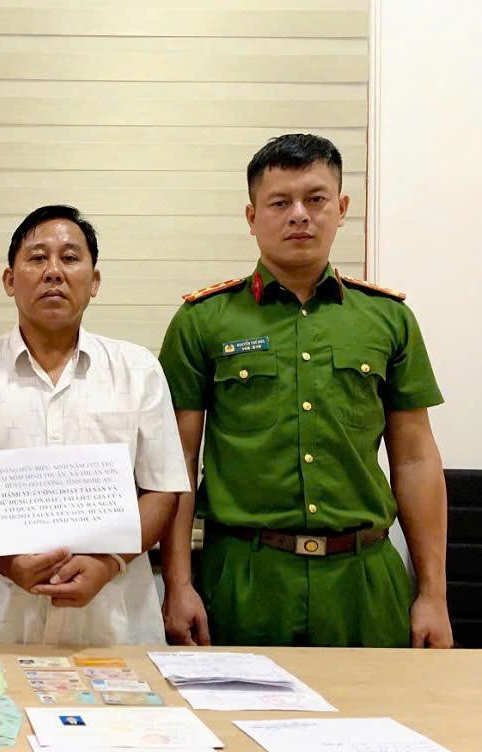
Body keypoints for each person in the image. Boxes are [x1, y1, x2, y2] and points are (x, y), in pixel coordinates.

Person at [159, 133, 452, 648]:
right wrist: (178, 584)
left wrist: (433, 594)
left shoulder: (387, 319)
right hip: (244, 578)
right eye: (280, 203)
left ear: (341, 208)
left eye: (316, 199)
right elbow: (176, 461)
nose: (300, 215)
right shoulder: (203, 320)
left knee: (374, 703)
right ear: (252, 217)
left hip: (363, 579)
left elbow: (415, 458)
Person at [0, 205, 189, 645]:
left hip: (113, 626)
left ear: (95, 281)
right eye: (37, 258)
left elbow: (162, 490)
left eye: (69, 258)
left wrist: (107, 563)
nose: (54, 272)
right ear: (9, 280)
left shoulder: (138, 369)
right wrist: (8, 562)